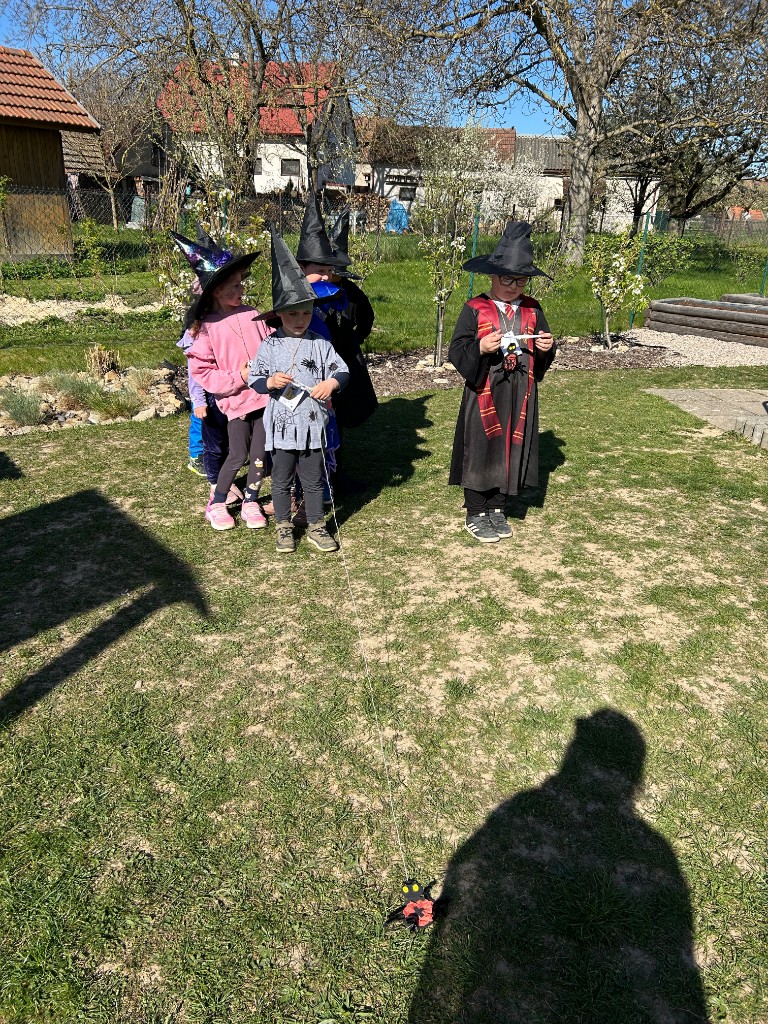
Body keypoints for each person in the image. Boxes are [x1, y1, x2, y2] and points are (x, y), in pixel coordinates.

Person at [448, 220, 556, 543]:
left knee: (510, 445)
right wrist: (480, 348)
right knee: (481, 447)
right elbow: (457, 349)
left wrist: (546, 348)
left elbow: (543, 348)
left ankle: (497, 507)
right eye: (506, 278)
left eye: (520, 280)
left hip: (520, 391)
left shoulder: (533, 310)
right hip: (484, 391)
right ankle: (475, 511)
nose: (513, 286)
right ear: (492, 275)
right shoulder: (475, 308)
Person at [249, 227, 349, 554]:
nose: (300, 319)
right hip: (281, 429)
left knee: (314, 480)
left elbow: (342, 370)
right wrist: (269, 383)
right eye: (292, 313)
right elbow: (255, 377)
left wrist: (331, 383)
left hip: (313, 427)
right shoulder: (269, 345)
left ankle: (317, 526)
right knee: (280, 480)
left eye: (306, 312)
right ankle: (283, 527)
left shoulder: (320, 343)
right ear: (279, 313)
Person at [172, 230, 272, 532]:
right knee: (237, 454)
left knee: (259, 455)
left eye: (241, 283)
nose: (242, 289)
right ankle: (217, 502)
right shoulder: (205, 329)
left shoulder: (253, 314)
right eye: (235, 285)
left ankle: (251, 501)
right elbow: (202, 372)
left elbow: (271, 344)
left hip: (264, 400)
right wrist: (239, 377)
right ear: (217, 291)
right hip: (236, 403)